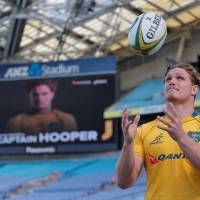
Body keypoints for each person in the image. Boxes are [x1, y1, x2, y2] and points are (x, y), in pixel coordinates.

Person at [116, 63, 200, 200]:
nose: (172, 82)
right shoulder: (144, 131)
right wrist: (127, 144)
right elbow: (124, 182)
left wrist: (182, 138)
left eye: (179, 78)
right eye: (168, 79)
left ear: (194, 89)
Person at [6, 79, 77, 134]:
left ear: (52, 94)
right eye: (35, 95)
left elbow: (67, 147)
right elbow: (16, 149)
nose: (40, 98)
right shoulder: (16, 122)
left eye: (44, 94)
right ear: (28, 96)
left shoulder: (66, 119)